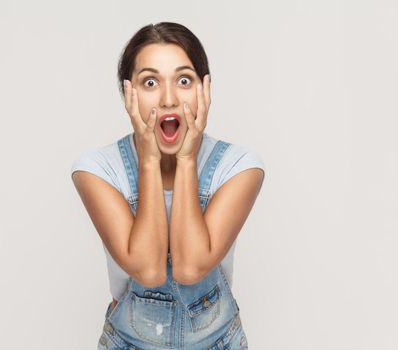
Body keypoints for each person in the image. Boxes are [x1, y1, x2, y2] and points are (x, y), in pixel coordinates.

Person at [71, 22, 264, 350]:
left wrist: (187, 159)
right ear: (127, 93)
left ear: (205, 90)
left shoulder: (239, 167)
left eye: (184, 80)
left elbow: (190, 267)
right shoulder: (97, 170)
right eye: (150, 82)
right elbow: (148, 269)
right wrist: (149, 161)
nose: (169, 98)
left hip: (219, 342)